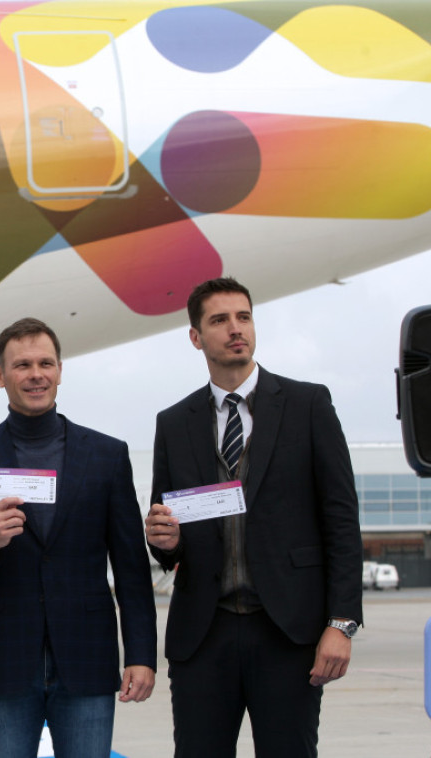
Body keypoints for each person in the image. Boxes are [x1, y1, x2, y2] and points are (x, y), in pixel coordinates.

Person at [145, 277, 364, 757]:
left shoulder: (308, 405)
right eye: (220, 320)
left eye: (243, 317)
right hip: (204, 635)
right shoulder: (174, 422)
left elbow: (342, 522)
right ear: (196, 337)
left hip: (288, 631)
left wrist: (342, 623)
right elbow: (170, 534)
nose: (235, 329)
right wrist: (163, 541)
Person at [0, 317, 157, 758]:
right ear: (0, 375)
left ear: (60, 370)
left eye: (45, 363)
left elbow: (132, 568)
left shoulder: (107, 456)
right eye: (22, 365)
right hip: (5, 660)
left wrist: (141, 654)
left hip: (87, 657)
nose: (35, 374)